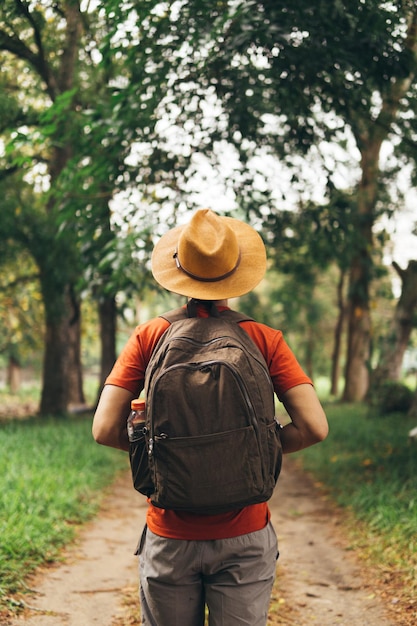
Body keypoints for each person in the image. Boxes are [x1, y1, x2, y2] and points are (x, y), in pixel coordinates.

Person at [92, 208, 329, 626]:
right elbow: (314, 427)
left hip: (169, 534)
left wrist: (157, 453)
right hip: (246, 532)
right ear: (235, 274)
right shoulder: (263, 338)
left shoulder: (150, 337)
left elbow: (104, 429)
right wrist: (255, 447)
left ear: (178, 271)